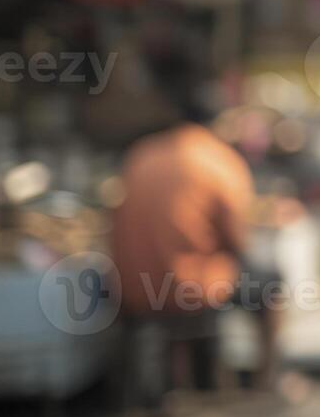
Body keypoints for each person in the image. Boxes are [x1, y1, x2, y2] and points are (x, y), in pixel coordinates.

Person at [109, 50, 278, 395]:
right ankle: (267, 383)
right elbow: (238, 240)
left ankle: (181, 382)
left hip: (131, 290)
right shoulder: (217, 159)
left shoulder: (142, 153)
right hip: (191, 288)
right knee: (270, 284)